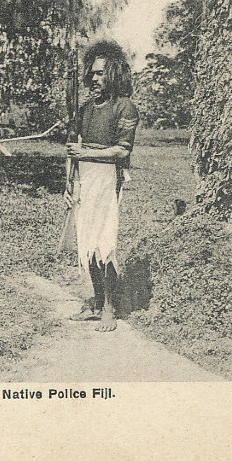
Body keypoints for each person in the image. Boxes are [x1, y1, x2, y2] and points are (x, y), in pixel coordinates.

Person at [65, 39, 139, 332]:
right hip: (84, 178)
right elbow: (72, 148)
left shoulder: (125, 107)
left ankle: (109, 306)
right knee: (87, 243)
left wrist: (88, 155)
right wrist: (69, 182)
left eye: (100, 73)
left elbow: (122, 150)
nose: (94, 79)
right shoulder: (84, 109)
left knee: (104, 242)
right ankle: (96, 302)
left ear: (114, 74)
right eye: (92, 73)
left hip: (108, 179)